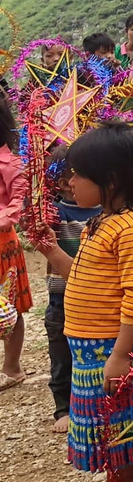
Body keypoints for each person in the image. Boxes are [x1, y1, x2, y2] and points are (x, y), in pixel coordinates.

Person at [40, 123, 133, 482]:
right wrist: (51, 250)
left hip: (120, 350)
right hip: (93, 350)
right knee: (115, 434)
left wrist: (120, 354)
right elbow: (84, 278)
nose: (69, 182)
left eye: (78, 174)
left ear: (110, 180)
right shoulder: (103, 222)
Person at [42, 146, 103, 432]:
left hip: (96, 298)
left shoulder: (106, 212)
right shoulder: (56, 213)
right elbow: (40, 227)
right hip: (62, 297)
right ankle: (63, 408)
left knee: (93, 352)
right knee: (61, 356)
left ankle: (94, 403)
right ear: (65, 183)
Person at [0, 96, 30, 390]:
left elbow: (16, 205)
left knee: (8, 306)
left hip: (2, 244)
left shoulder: (10, 163)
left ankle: (12, 366)